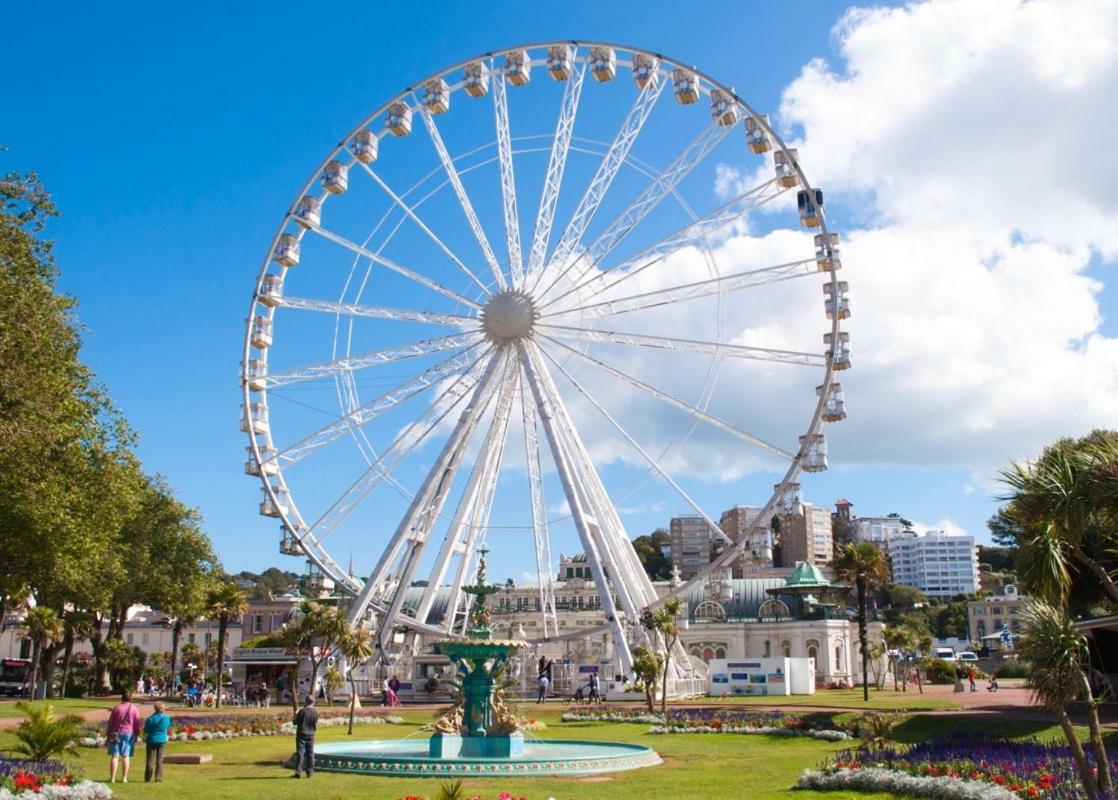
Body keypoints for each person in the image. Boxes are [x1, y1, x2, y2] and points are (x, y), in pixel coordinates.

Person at [107, 689, 142, 783]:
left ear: (122, 697)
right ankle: (124, 778)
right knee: (125, 756)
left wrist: (108, 732)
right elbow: (137, 723)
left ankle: (112, 778)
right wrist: (137, 733)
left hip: (115, 733)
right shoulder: (134, 708)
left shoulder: (117, 707)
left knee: (115, 756)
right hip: (128, 733)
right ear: (131, 698)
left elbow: (111, 722)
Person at [143, 700, 172, 783]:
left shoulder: (151, 719)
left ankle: (148, 778)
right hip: (162, 740)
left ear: (155, 708)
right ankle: (158, 778)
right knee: (159, 760)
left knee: (149, 760)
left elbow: (146, 730)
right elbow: (167, 727)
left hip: (151, 739)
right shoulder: (167, 718)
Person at [292, 694, 318, 778]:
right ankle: (310, 772)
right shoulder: (315, 712)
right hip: (311, 734)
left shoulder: (302, 711)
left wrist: (296, 714)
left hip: (302, 734)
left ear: (306, 702)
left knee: (301, 753)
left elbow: (295, 722)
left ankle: (298, 772)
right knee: (310, 753)